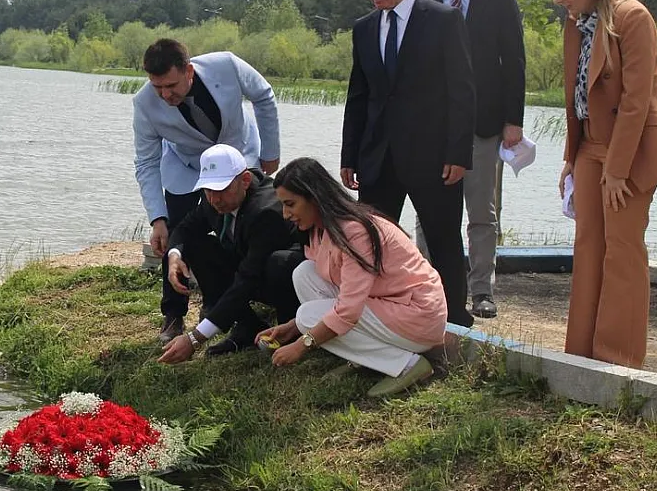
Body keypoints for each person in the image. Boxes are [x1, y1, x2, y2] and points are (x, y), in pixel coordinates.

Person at [542, 0, 657, 368]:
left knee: (622, 249)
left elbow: (637, 102)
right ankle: (580, 357)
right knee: (587, 246)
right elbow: (576, 97)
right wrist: (571, 155)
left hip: (633, 150)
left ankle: (616, 364)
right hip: (590, 147)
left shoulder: (633, 16)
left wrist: (617, 171)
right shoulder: (574, 21)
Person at [339, 0, 477, 328]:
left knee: (444, 239)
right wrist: (350, 155)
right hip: (378, 157)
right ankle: (383, 316)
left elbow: (462, 92)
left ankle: (454, 322)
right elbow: (359, 95)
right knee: (373, 241)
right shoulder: (365, 29)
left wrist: (458, 152)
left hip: (434, 157)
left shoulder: (444, 19)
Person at [257, 157, 447, 397]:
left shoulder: (354, 231)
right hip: (387, 304)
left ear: (314, 198)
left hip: (417, 314)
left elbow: (348, 311)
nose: (285, 214)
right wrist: (291, 328)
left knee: (309, 316)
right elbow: (345, 294)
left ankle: (405, 364)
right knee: (304, 275)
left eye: (290, 204)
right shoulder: (320, 228)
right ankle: (367, 359)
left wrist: (301, 344)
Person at [133, 38, 281, 344]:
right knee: (178, 233)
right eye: (157, 87)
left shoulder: (226, 65)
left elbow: (264, 96)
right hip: (187, 168)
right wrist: (157, 218)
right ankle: (173, 314)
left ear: (188, 70)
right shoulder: (144, 104)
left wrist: (271, 151)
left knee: (253, 226)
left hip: (240, 155)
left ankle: (227, 304)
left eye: (171, 85)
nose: (165, 95)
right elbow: (146, 162)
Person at [415, 0, 527, 319]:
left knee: (482, 212)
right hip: (435, 127)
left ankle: (482, 290)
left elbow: (514, 62)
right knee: (430, 212)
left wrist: (513, 120)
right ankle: (426, 286)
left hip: (484, 123)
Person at [157, 144, 302, 364]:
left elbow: (247, 279)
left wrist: (194, 338)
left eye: (221, 189)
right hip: (251, 267)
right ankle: (247, 324)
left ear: (244, 180)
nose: (214, 199)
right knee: (196, 244)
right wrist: (174, 255)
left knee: (278, 263)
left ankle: (291, 327)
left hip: (284, 279)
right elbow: (185, 228)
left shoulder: (266, 212)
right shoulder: (214, 200)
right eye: (208, 190)